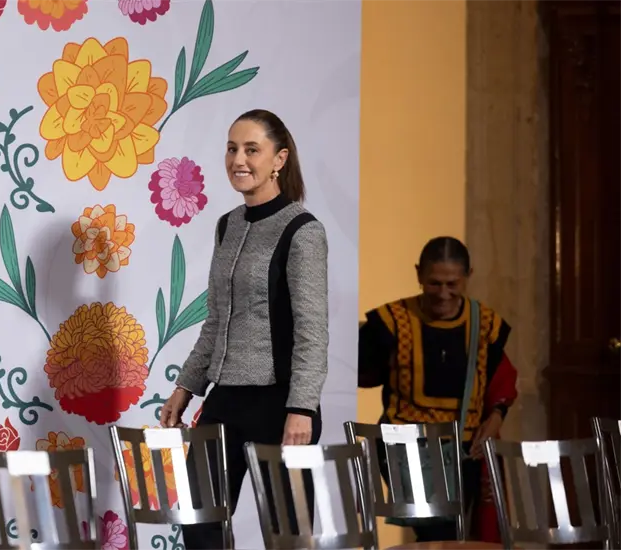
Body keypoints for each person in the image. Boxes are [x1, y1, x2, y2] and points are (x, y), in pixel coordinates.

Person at [159, 109, 329, 550]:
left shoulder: (302, 230)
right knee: (200, 529)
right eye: (232, 148)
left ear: (279, 159)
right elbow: (217, 319)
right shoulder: (228, 225)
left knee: (290, 537)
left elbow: (313, 331)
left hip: (279, 404)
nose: (239, 159)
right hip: (225, 401)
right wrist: (186, 388)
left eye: (252, 149)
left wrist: (302, 409)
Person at [358, 236, 518, 543]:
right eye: (434, 283)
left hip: (465, 450)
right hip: (405, 447)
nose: (443, 294)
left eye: (452, 284)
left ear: (468, 276)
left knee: (457, 535)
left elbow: (500, 382)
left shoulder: (486, 324)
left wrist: (497, 415)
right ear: (418, 274)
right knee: (438, 533)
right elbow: (362, 372)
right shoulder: (390, 321)